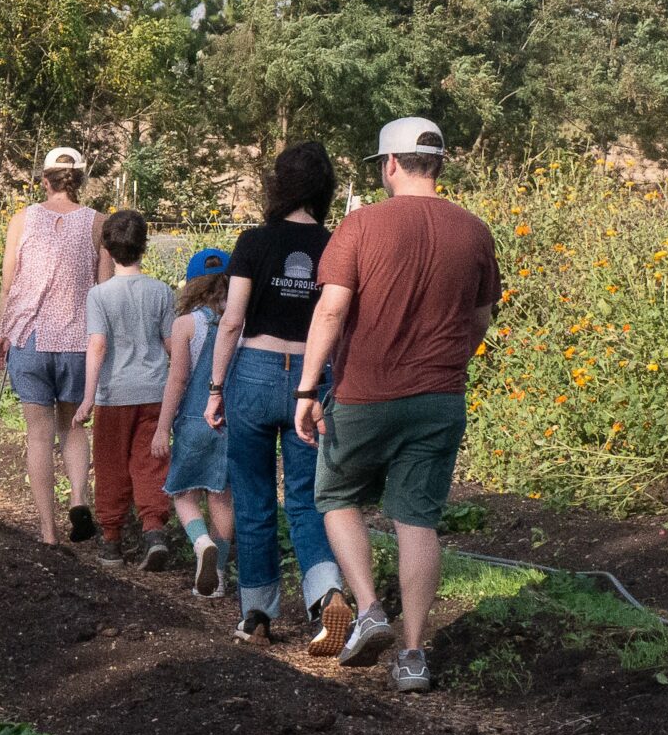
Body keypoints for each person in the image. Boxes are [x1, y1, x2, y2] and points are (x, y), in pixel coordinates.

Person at [297, 116, 500, 691]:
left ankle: (368, 609)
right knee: (417, 521)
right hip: (441, 398)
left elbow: (332, 311)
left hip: (365, 394)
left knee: (335, 494)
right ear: (436, 163)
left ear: (390, 164)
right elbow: (480, 319)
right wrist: (446, 362)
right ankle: (412, 654)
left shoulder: (361, 226)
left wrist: (308, 389)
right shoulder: (473, 230)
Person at [204, 143, 350, 651]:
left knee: (254, 498)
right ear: (325, 187)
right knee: (309, 498)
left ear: (278, 184)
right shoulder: (336, 244)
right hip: (313, 378)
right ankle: (325, 591)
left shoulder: (253, 241)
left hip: (255, 375)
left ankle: (258, 614)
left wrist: (216, 386)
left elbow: (232, 321)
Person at [0, 145, 109, 544]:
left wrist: (2, 332)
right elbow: (105, 291)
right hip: (78, 340)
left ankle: (47, 531)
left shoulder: (21, 220)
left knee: (38, 435)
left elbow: (8, 285)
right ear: (80, 180)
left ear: (44, 180)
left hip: (30, 337)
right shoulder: (98, 224)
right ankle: (78, 497)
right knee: (74, 427)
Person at [74, 211, 176, 568]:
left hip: (114, 394)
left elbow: (98, 345)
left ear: (107, 248)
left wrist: (88, 397)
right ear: (144, 246)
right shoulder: (162, 291)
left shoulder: (99, 296)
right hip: (154, 392)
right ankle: (153, 531)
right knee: (151, 463)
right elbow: (170, 344)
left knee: (111, 465)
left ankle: (112, 541)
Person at [154, 247, 236, 596]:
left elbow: (179, 380)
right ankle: (217, 578)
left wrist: (161, 427)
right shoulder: (239, 322)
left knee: (183, 492)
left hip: (193, 419)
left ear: (191, 284)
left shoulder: (186, 324)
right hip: (231, 420)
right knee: (222, 497)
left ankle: (202, 543)